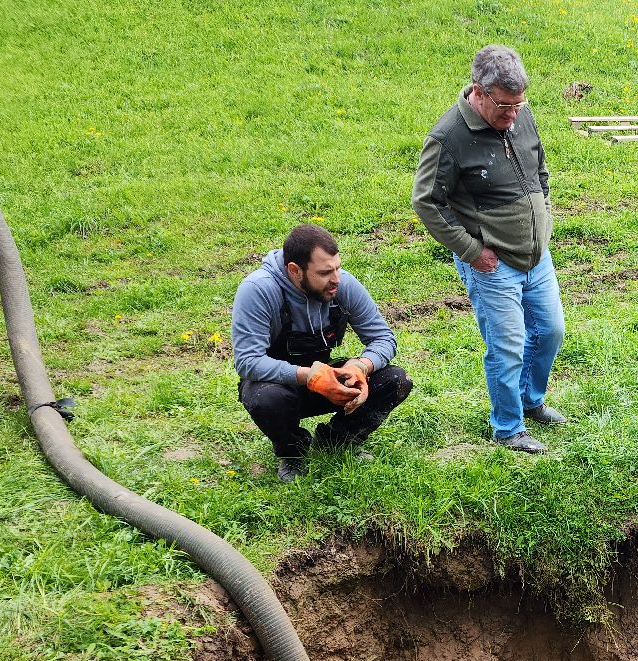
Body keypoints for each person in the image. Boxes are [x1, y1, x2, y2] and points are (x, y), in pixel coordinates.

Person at [413, 44, 566, 455]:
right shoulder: (448, 137)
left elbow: (539, 166)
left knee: (550, 331)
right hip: (492, 263)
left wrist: (543, 212)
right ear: (479, 92)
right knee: (507, 345)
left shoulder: (519, 113)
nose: (513, 115)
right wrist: (471, 251)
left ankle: (531, 401)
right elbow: (426, 201)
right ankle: (508, 427)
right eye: (504, 106)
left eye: (519, 104)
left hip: (537, 255)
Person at [232, 224, 412, 482]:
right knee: (266, 399)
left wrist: (361, 366)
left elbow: (383, 338)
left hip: (327, 380)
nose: (336, 278)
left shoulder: (342, 285)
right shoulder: (258, 290)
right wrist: (310, 376)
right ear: (295, 270)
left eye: (338, 267)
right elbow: (248, 362)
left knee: (395, 381)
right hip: (278, 386)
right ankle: (292, 453)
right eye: (325, 272)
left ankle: (337, 441)